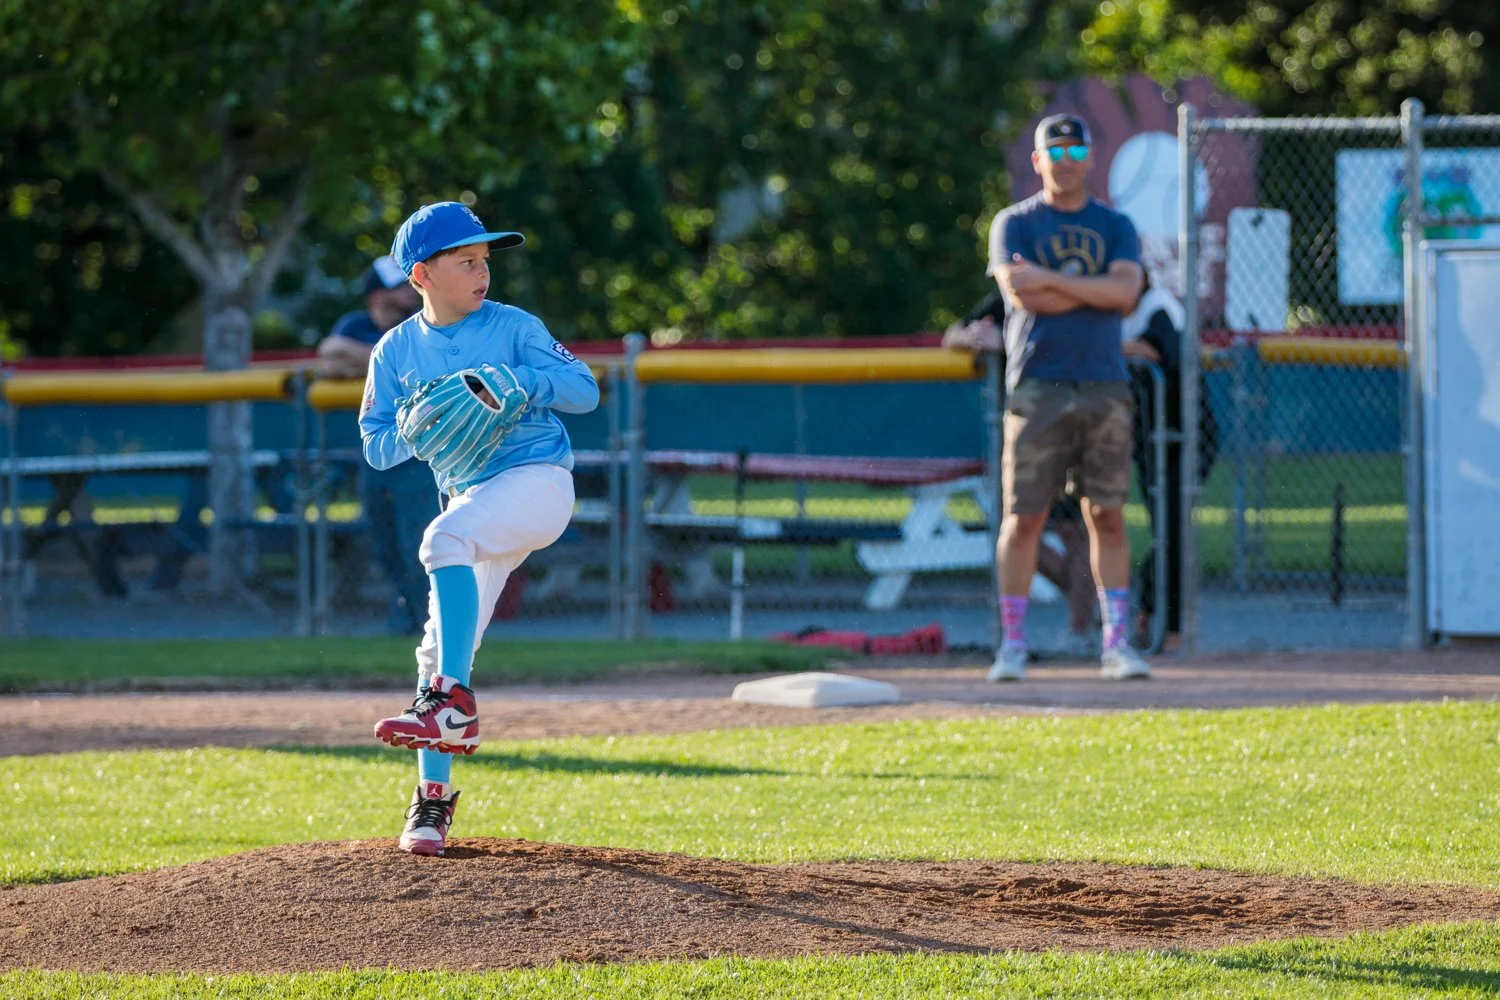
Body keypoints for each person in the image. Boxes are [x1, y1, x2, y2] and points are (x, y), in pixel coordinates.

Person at [360, 201, 599, 855]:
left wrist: (520, 383)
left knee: (443, 540)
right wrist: (412, 423)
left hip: (538, 482)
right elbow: (377, 446)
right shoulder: (396, 350)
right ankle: (432, 805)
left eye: (484, 260)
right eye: (465, 261)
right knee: (433, 656)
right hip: (473, 498)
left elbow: (585, 390)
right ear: (422, 276)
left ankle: (453, 706)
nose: (481, 272)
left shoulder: (514, 326)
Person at [984, 113, 1151, 683]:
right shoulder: (1015, 223)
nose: (1066, 162)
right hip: (1036, 387)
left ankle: (1116, 643)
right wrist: (1091, 292)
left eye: (1076, 152)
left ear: (1091, 159)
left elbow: (1126, 293)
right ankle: (1011, 646)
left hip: (1104, 384)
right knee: (1023, 516)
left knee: (1106, 514)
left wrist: (1054, 281)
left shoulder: (1116, 224)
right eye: (1055, 153)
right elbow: (1021, 293)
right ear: (1037, 161)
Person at [943, 292, 1098, 655]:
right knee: (1014, 526)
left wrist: (1008, 342)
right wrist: (974, 338)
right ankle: (1093, 604)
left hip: (1073, 424)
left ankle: (1081, 628)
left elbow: (1074, 348)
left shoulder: (1077, 290)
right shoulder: (1014, 291)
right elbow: (951, 335)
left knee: (1073, 529)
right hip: (1022, 430)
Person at [316, 255, 432, 634]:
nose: (412, 292)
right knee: (383, 543)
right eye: (403, 286)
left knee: (420, 542)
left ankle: (425, 622)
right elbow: (328, 358)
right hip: (377, 453)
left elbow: (414, 366)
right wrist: (383, 364)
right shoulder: (356, 324)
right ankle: (408, 617)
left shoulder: (423, 324)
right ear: (379, 294)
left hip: (420, 453)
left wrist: (365, 363)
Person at [1121, 270, 1219, 653]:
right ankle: (1149, 614)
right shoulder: (1116, 316)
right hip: (1151, 441)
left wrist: (1126, 347)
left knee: (1173, 529)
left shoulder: (1156, 305)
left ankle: (1171, 628)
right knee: (1164, 530)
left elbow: (1166, 352)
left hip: (1190, 437)